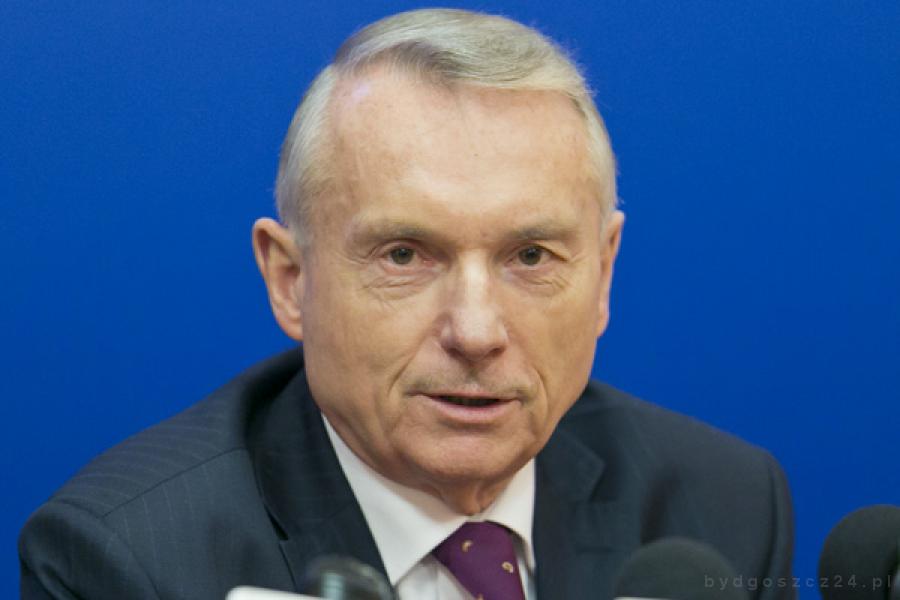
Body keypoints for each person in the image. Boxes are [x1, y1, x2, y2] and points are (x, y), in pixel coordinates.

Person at [19, 8, 794, 600]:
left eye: (530, 256)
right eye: (404, 255)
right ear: (290, 280)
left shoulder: (725, 506)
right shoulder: (127, 560)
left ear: (604, 273)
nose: (477, 332)